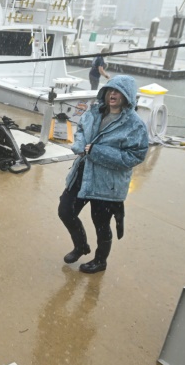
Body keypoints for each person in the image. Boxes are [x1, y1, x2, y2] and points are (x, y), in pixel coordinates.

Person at [58, 75, 148, 274]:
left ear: (128, 96)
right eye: (110, 90)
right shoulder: (94, 112)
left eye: (118, 91)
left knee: (101, 224)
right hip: (82, 174)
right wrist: (80, 145)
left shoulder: (135, 125)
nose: (112, 94)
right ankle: (81, 245)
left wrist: (97, 152)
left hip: (108, 183)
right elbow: (81, 129)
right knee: (65, 211)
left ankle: (100, 261)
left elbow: (136, 156)